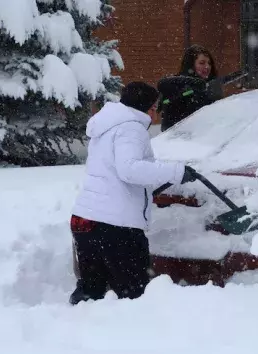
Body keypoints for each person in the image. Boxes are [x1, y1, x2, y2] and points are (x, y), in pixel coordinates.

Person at [69, 81, 197, 305]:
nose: (156, 113)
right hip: (115, 226)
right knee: (133, 294)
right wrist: (176, 171)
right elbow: (130, 169)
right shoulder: (131, 127)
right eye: (155, 107)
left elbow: (112, 170)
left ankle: (80, 331)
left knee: (92, 291)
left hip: (86, 219)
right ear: (147, 107)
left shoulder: (107, 125)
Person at [158, 45, 224, 132]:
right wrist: (192, 83)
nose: (207, 67)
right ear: (191, 65)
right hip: (179, 140)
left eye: (209, 63)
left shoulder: (211, 87)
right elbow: (162, 84)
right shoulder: (177, 85)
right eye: (202, 63)